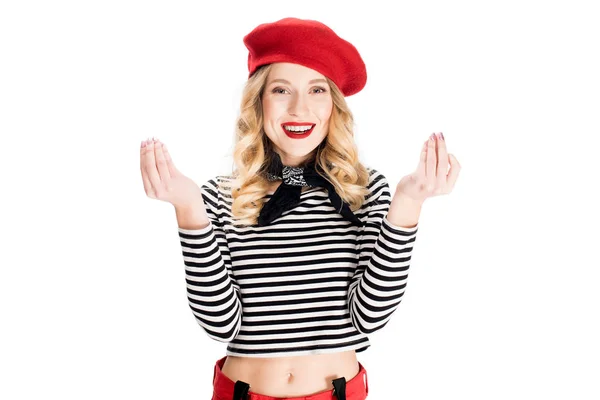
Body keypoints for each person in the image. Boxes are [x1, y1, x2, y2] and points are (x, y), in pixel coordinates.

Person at [139, 17, 460, 400]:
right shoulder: (220, 196)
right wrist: (188, 209)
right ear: (258, 102)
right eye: (281, 89)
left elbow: (369, 316)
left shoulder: (364, 190)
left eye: (316, 90)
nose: (299, 107)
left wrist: (408, 205)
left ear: (333, 106)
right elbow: (221, 326)